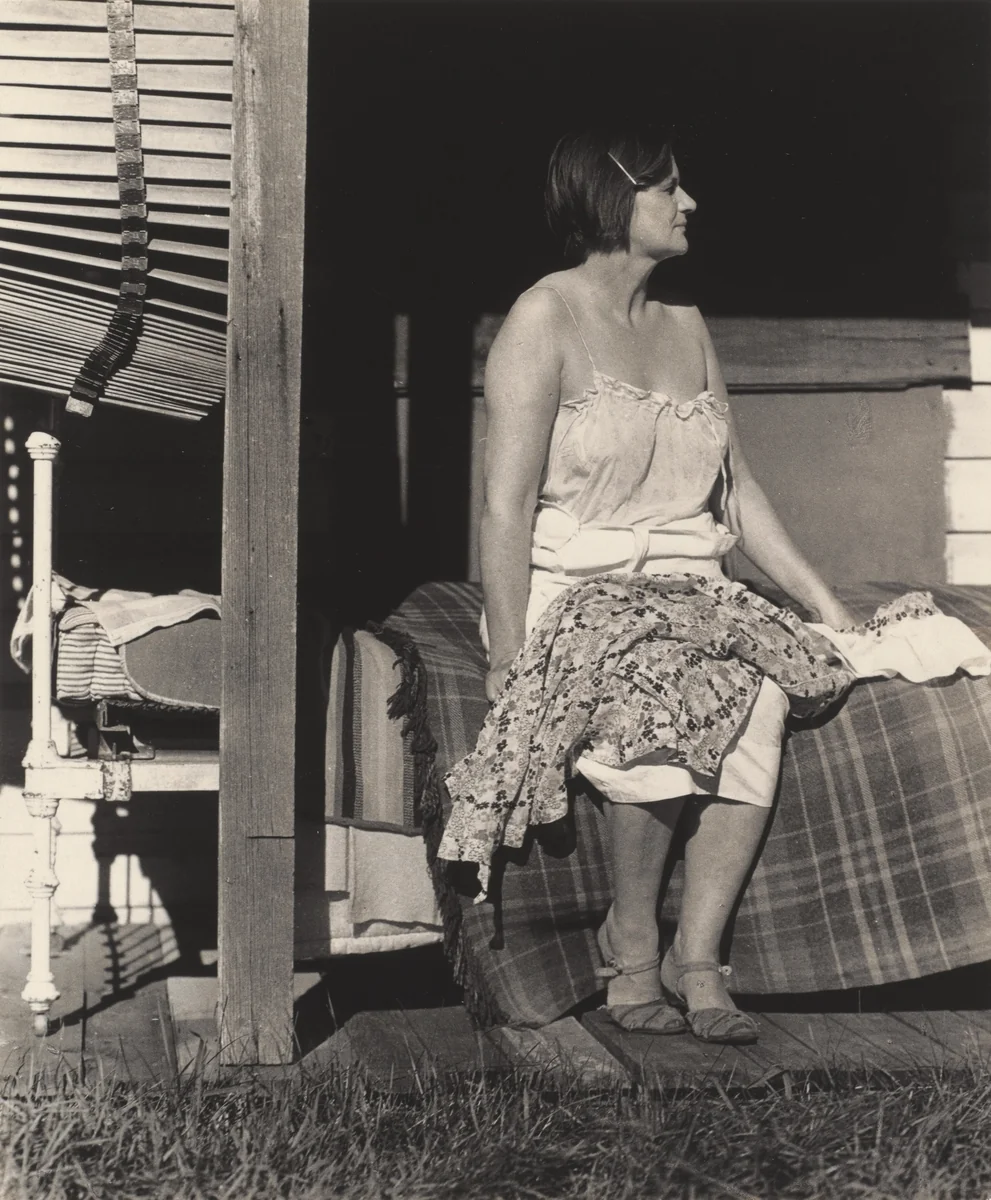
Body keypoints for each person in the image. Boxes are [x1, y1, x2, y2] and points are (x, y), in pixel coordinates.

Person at [441, 125, 860, 1045]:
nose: (688, 203)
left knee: (758, 693)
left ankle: (696, 959)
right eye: (668, 187)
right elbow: (505, 506)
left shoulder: (685, 325)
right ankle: (631, 946)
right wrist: (506, 647)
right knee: (658, 693)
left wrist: (826, 607)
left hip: (692, 588)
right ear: (609, 197)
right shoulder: (542, 318)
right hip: (579, 590)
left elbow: (736, 493)